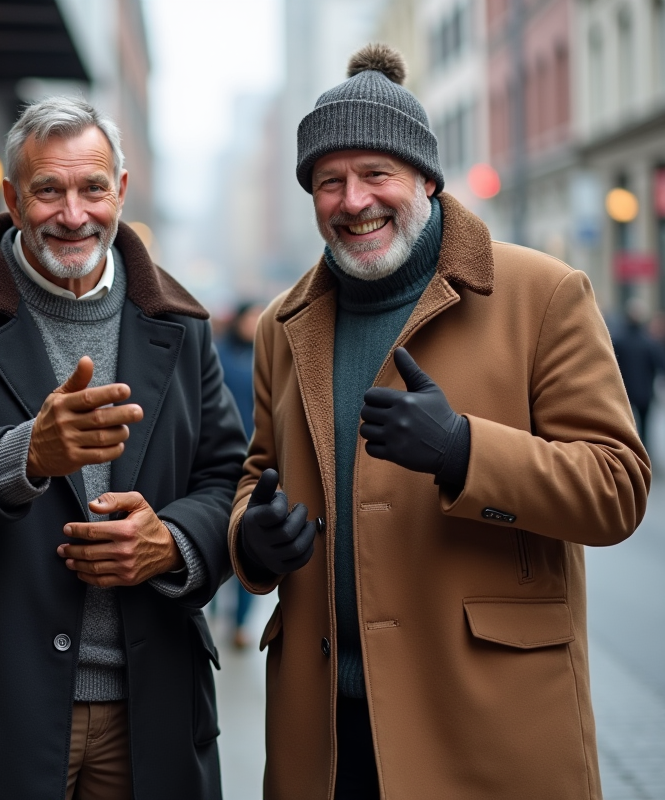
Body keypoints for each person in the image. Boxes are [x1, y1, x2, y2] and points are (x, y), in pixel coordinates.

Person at [227, 44, 650, 800]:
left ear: (425, 176)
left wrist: (464, 452)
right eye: (330, 181)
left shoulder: (541, 294)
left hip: (486, 730)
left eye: (376, 173)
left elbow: (617, 488)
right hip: (324, 739)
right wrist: (251, 540)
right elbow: (254, 477)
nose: (354, 200)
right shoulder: (281, 326)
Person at [0, 96, 246, 799]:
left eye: (93, 188)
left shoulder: (182, 325)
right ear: (12, 197)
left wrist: (174, 542)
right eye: (49, 190)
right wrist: (25, 454)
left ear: (120, 192)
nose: (74, 214)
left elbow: (228, 478)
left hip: (151, 705)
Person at [215, 301, 265, 649]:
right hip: (220, 457)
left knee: (251, 543)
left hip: (258, 461)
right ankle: (215, 605)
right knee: (218, 535)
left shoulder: (269, 355)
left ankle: (241, 624)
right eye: (251, 316)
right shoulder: (217, 355)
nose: (256, 323)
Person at [611, 296, 665, 448]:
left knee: (625, 425)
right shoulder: (649, 342)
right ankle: (643, 452)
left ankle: (628, 450)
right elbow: (660, 364)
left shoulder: (619, 340)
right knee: (644, 426)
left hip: (625, 391)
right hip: (644, 393)